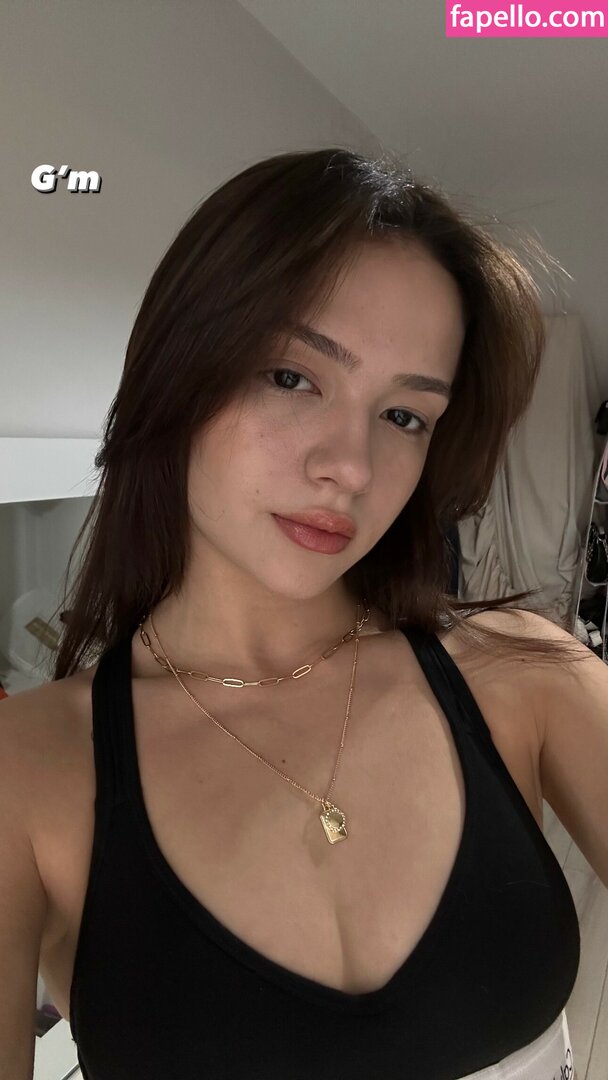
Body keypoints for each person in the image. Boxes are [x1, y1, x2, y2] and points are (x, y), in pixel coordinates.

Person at [2, 148, 593, 1079]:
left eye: (405, 416)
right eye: (291, 376)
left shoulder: (524, 676)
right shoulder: (29, 771)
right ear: (177, 368)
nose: (350, 467)